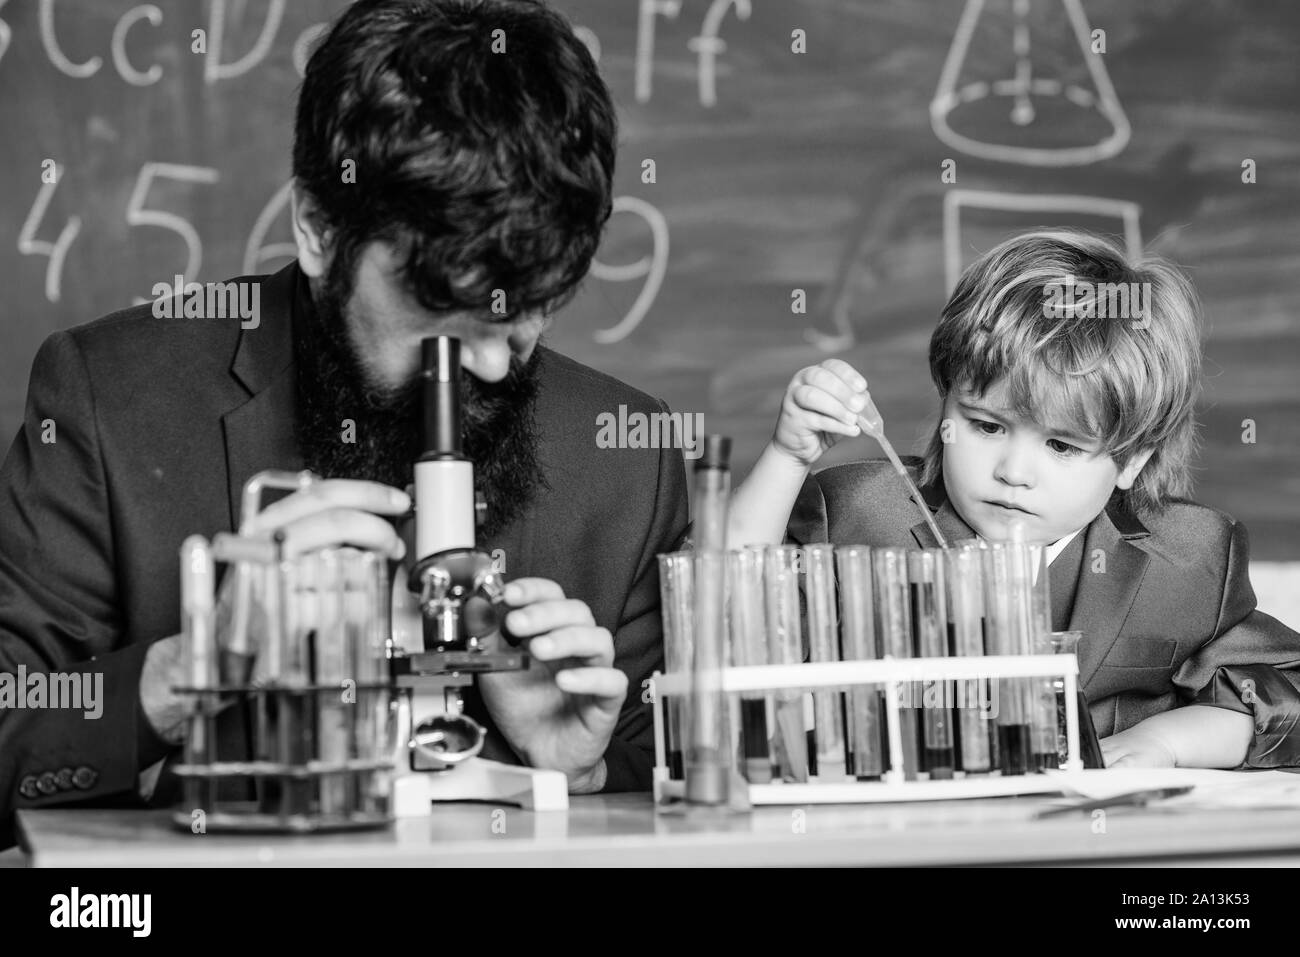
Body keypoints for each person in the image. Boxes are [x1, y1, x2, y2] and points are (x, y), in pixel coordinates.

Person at [0, 0, 688, 846]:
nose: (496, 366)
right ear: (321, 229)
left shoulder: (625, 455)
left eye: (530, 311)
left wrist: (584, 774)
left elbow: (679, 782)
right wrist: (183, 674)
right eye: (444, 312)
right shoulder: (112, 398)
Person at [729, 230, 1300, 769]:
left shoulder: (1191, 556)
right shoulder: (858, 511)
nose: (1014, 472)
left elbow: (1286, 695)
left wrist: (1167, 740)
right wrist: (787, 456)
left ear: (1131, 461)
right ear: (948, 403)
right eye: (987, 426)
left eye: (1061, 444)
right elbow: (718, 614)